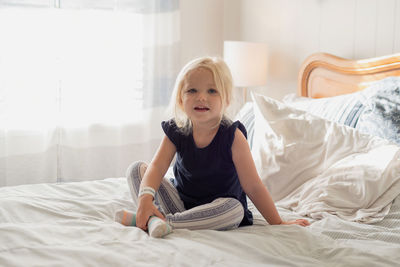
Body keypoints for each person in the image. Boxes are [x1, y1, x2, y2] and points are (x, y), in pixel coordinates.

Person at [115, 56, 310, 238]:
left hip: (218, 208)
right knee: (137, 169)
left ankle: (164, 222)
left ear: (225, 100)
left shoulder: (233, 136)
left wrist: (278, 222)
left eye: (211, 91)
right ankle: (150, 214)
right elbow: (157, 168)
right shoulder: (177, 130)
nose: (201, 97)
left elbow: (253, 186)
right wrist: (144, 200)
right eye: (192, 90)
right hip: (180, 204)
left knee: (235, 209)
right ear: (181, 99)